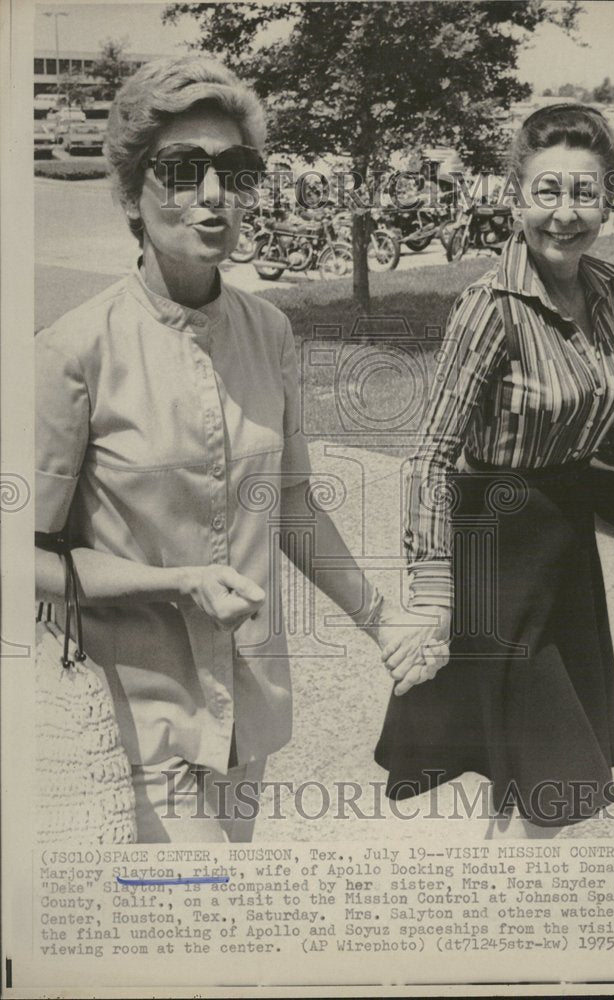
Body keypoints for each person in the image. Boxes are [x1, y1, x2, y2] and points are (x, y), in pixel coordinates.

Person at [35, 55, 391, 843]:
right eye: (182, 169)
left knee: (218, 939)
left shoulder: (270, 332)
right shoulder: (72, 352)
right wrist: (176, 583)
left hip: (246, 715)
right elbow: (19, 557)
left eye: (235, 170)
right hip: (135, 722)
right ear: (132, 192)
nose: (212, 195)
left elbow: (293, 506)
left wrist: (382, 622)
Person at [375, 104, 614, 836]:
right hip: (497, 552)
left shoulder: (602, 286)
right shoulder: (489, 307)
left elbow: (611, 402)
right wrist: (432, 592)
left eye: (584, 192)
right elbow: (432, 455)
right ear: (515, 196)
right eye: (547, 192)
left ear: (610, 198)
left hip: (563, 547)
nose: (565, 213)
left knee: (552, 779)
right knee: (538, 770)